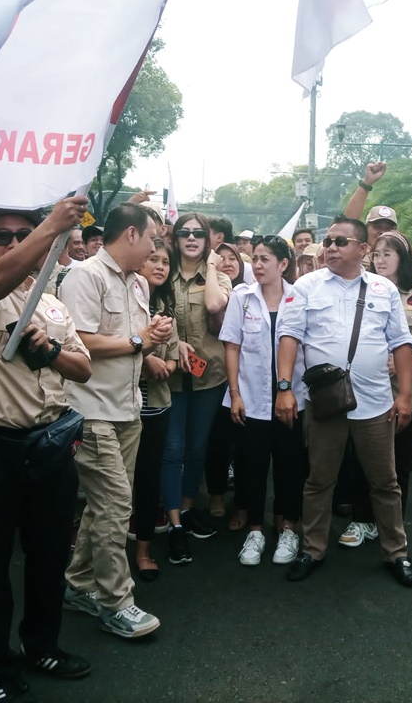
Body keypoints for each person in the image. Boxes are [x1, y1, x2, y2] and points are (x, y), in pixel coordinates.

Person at [0, 198, 93, 701]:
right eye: (1, 236)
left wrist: (49, 351)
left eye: (21, 234)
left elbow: (83, 368)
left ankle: (42, 645)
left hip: (49, 445)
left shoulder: (50, 303)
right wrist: (51, 224)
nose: (11, 243)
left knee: (50, 555)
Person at [275, 216, 412, 587]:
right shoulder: (306, 286)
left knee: (385, 482)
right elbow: (289, 336)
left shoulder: (383, 290)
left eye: (342, 242)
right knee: (320, 480)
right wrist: (284, 387)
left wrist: (404, 396)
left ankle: (396, 552)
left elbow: (401, 343)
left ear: (363, 249)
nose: (332, 248)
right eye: (329, 241)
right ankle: (312, 549)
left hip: (374, 403)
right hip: (326, 404)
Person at [61, 202, 172, 639]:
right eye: (151, 238)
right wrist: (138, 339)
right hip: (91, 410)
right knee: (115, 505)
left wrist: (152, 339)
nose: (154, 247)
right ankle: (116, 602)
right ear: (130, 234)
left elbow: (133, 345)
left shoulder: (138, 285)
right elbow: (81, 341)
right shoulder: (84, 276)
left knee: (103, 505)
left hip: (128, 407)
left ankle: (78, 584)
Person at [340, 231, 412, 547]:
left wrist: (402, 360)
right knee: (361, 458)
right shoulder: (360, 291)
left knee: (397, 464)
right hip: (364, 393)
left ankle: (391, 525)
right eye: (377, 253)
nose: (380, 259)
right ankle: (362, 520)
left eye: (389, 253)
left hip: (408, 394)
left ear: (403, 259)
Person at [221, 235, 307, 566]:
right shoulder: (242, 297)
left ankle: (287, 527)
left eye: (265, 259)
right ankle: (255, 530)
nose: (257, 265)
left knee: (290, 464)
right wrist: (235, 394)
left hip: (292, 398)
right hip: (252, 398)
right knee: (252, 465)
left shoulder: (298, 298)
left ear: (283, 264)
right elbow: (232, 346)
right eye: (254, 258)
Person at [162, 213, 232, 563]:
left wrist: (214, 267)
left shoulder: (219, 278)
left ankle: (188, 507)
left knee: (196, 448)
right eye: (184, 233)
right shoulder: (160, 274)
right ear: (174, 239)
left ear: (208, 240)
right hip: (170, 377)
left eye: (198, 234)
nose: (191, 239)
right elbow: (152, 316)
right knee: (173, 449)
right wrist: (175, 345)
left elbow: (215, 306)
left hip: (210, 376)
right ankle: (174, 523)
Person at [127, 238, 180, 582]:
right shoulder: (123, 304)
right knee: (116, 485)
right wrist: (141, 358)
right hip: (120, 409)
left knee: (147, 482)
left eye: (165, 262)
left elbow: (173, 358)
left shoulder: (165, 312)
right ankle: (108, 553)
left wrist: (164, 367)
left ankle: (144, 551)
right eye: (153, 259)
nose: (159, 266)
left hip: (156, 408)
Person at [206, 241, 247, 530]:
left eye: (233, 258)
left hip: (248, 379)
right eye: (221, 258)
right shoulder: (210, 290)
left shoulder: (250, 295)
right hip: (214, 377)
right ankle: (216, 495)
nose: (228, 261)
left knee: (244, 445)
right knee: (216, 441)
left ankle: (244, 503)